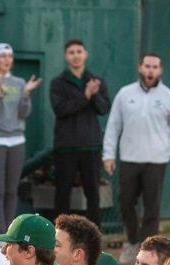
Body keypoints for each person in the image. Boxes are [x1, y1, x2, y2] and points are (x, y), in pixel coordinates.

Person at [102, 54, 170, 265]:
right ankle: (131, 241)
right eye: (147, 66)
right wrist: (108, 155)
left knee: (152, 208)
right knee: (126, 202)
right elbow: (113, 126)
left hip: (156, 161)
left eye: (154, 67)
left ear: (160, 70)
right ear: (140, 67)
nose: (150, 71)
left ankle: (149, 253)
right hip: (129, 158)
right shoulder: (125, 94)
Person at [0, 43, 41, 234]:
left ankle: (11, 233)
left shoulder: (20, 83)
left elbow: (23, 112)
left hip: (16, 140)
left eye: (9, 56)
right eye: (2, 56)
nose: (7, 60)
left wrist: (26, 94)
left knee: (12, 190)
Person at [50, 39, 109, 225]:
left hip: (91, 146)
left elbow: (103, 108)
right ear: (66, 56)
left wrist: (94, 94)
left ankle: (94, 239)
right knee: (62, 194)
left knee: (93, 194)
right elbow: (61, 109)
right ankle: (59, 237)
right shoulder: (58, 83)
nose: (76, 56)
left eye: (79, 51)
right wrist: (85, 95)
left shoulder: (96, 81)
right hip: (66, 147)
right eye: (71, 52)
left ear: (85, 54)